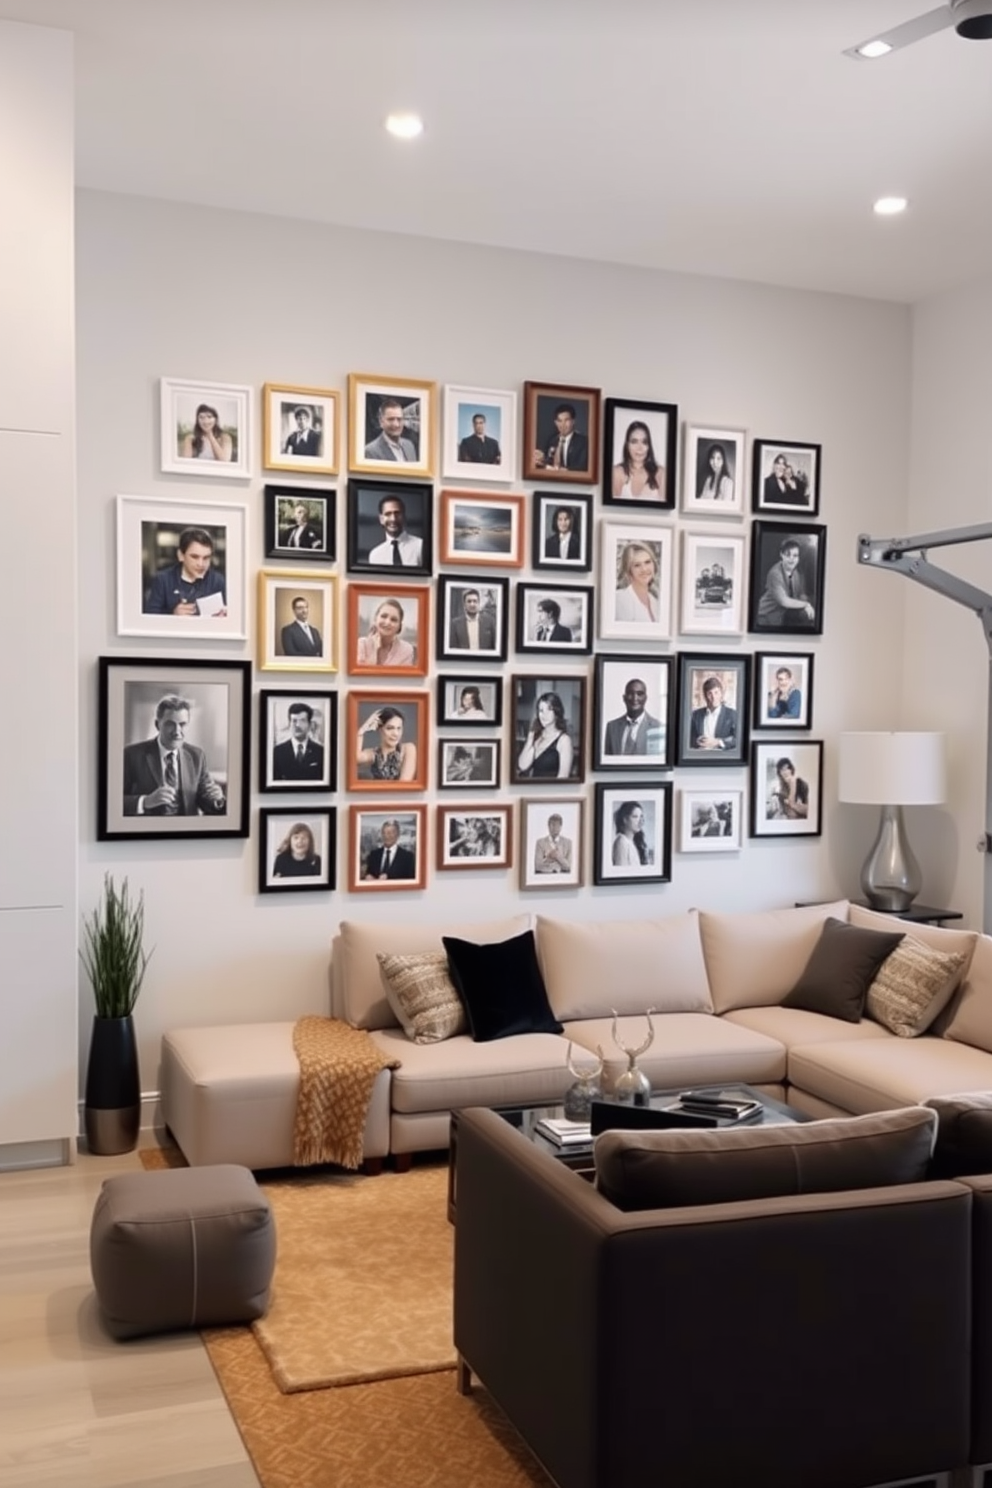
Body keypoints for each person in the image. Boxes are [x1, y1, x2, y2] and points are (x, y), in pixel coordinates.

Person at [122, 694, 226, 817]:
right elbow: (110, 801)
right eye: (170, 724)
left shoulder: (197, 756)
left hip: (186, 831)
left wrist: (216, 800)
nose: (177, 731)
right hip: (147, 831)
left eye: (182, 724)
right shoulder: (131, 754)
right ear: (157, 725)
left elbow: (206, 803)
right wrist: (145, 801)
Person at [144, 527, 227, 616]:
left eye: (206, 558)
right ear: (181, 556)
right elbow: (149, 619)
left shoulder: (218, 581)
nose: (201, 564)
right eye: (195, 557)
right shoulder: (163, 580)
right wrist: (173, 615)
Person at [756, 538, 816, 627]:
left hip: (782, 616)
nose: (791, 559)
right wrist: (806, 604)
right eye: (788, 555)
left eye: (795, 555)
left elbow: (799, 595)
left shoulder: (796, 573)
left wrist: (808, 605)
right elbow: (784, 601)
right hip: (766, 616)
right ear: (781, 555)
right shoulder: (775, 573)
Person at [517, 691, 573, 779]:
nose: (544, 715)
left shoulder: (564, 740)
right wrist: (530, 738)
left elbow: (563, 777)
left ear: (556, 713)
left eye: (549, 710)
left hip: (550, 791)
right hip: (532, 790)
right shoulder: (537, 737)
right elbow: (522, 766)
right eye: (541, 711)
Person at [355, 706, 418, 781]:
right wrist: (362, 731)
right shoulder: (372, 754)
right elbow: (355, 758)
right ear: (379, 729)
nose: (396, 733)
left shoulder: (408, 748)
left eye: (399, 728)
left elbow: (404, 784)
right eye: (390, 728)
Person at [603, 678, 662, 757]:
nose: (635, 698)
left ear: (645, 698)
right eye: (630, 693)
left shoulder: (658, 727)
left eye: (639, 694)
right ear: (624, 698)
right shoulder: (611, 727)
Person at [611, 420, 664, 501]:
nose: (640, 448)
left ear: (649, 446)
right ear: (627, 445)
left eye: (644, 442)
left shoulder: (661, 473)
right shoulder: (617, 472)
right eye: (634, 442)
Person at [272, 701, 325, 782]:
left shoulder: (320, 752)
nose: (297, 725)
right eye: (294, 721)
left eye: (302, 720)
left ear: (310, 724)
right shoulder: (277, 752)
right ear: (289, 724)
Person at [356, 597, 415, 668]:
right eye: (383, 616)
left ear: (399, 626)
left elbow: (403, 678)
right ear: (375, 619)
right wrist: (374, 650)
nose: (387, 622)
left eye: (393, 620)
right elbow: (361, 677)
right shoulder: (361, 645)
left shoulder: (407, 650)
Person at [367, 493, 424, 567]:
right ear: (381, 519)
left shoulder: (420, 546)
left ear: (404, 516)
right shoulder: (375, 555)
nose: (393, 519)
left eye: (397, 513)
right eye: (388, 514)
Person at [533, 403, 589, 472]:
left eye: (566, 420)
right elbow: (548, 462)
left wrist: (564, 471)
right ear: (555, 423)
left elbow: (582, 468)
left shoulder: (583, 442)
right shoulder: (552, 441)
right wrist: (541, 460)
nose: (562, 425)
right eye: (559, 421)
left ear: (573, 421)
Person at [614, 542, 661, 624]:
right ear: (628, 571)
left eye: (647, 562)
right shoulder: (619, 599)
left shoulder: (655, 602)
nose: (644, 569)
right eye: (637, 565)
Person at [689, 676, 738, 752]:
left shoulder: (732, 714)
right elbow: (688, 739)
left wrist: (718, 742)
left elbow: (738, 739)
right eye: (709, 693)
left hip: (721, 759)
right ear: (705, 696)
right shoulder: (695, 715)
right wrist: (697, 741)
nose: (713, 697)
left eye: (716, 692)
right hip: (699, 758)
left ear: (721, 694)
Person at [364, 398, 418, 462]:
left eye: (399, 419)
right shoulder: (370, 451)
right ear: (381, 422)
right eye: (391, 419)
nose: (396, 424)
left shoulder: (409, 445)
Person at [612, 801, 652, 868]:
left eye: (641, 816)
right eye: (635, 817)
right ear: (625, 819)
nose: (640, 821)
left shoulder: (633, 842)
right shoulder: (621, 842)